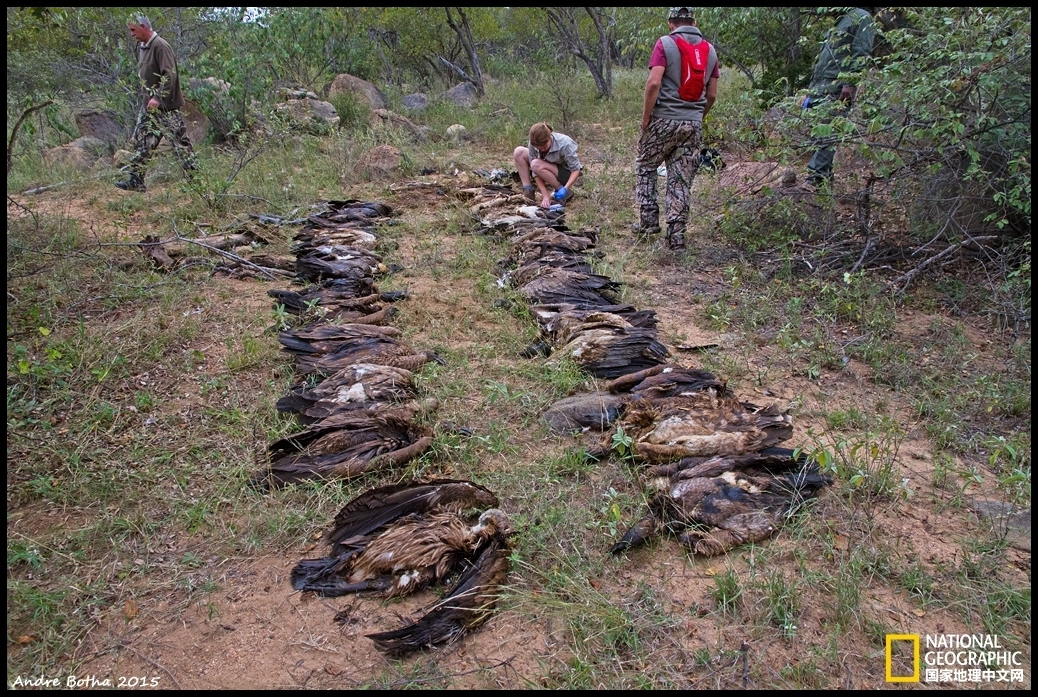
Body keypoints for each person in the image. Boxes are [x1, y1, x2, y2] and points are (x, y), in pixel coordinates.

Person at [633, 7, 720, 251]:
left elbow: (654, 82)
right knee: (681, 178)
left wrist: (646, 117)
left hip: (663, 118)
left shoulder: (664, 43)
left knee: (646, 164)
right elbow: (711, 93)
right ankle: (677, 236)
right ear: (694, 20)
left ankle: (648, 220)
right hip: (692, 122)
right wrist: (697, 117)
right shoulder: (710, 50)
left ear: (671, 23)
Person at [116, 14, 196, 192]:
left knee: (180, 144)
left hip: (165, 107)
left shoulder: (160, 45)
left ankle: (197, 181)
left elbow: (170, 75)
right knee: (143, 142)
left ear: (143, 27)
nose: (131, 34)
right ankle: (136, 180)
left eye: (133, 30)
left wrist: (158, 98)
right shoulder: (143, 46)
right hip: (150, 108)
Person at [800, 7, 876, 187]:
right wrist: (811, 90)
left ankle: (815, 179)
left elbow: (861, 52)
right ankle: (824, 182)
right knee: (818, 135)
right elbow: (826, 59)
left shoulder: (861, 17)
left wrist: (850, 83)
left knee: (829, 133)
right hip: (821, 88)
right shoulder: (840, 20)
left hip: (837, 88)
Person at [513, 123, 582, 209]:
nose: (541, 149)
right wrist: (545, 195)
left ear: (550, 137)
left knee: (535, 164)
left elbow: (576, 170)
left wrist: (565, 188)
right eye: (538, 148)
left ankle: (562, 190)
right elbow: (535, 172)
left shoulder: (564, 143)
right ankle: (528, 191)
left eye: (544, 146)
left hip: (566, 174)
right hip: (543, 166)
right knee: (519, 152)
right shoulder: (533, 143)